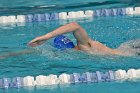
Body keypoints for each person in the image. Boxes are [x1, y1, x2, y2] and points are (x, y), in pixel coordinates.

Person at [28, 22, 129, 56]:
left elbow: (75, 25)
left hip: (130, 53)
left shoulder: (83, 47)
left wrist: (47, 36)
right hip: (126, 50)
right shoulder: (83, 49)